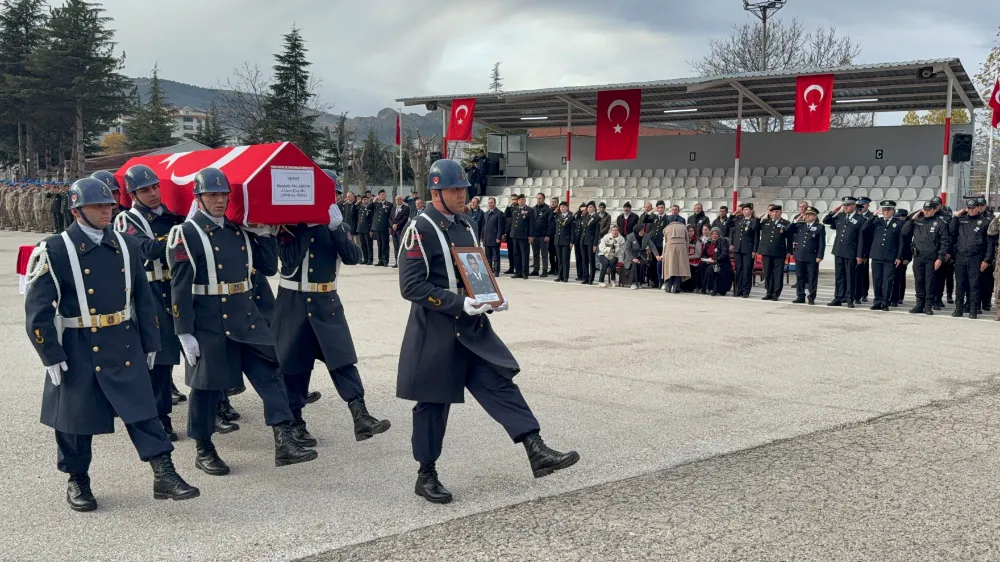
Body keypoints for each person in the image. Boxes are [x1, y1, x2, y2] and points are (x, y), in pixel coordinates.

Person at [396, 159, 578, 504]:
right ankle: (426, 473)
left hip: (471, 326)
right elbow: (411, 286)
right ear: (436, 192)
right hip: (436, 330)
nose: (462, 195)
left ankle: (536, 448)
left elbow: (474, 270)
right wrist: (458, 303)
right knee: (433, 404)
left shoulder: (466, 224)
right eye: (454, 189)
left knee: (499, 384)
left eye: (463, 189)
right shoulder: (419, 228)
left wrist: (490, 298)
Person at [25, 177, 198, 511]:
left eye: (109, 205)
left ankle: (164, 473)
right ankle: (77, 479)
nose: (107, 211)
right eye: (97, 206)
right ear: (77, 211)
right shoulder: (55, 248)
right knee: (74, 420)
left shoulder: (126, 244)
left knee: (143, 409)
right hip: (78, 345)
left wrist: (150, 341)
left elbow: (142, 299)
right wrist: (49, 353)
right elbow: (38, 309)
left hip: (122, 340)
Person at [168, 168, 318, 475]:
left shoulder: (238, 231)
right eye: (212, 195)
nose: (220, 200)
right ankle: (204, 448)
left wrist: (263, 234)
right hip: (209, 322)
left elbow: (268, 268)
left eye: (224, 195)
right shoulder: (185, 234)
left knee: (270, 376)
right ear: (198, 198)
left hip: (245, 317)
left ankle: (284, 441)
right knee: (206, 388)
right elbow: (179, 287)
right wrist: (184, 332)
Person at [274, 204, 391, 446]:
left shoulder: (338, 227)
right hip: (294, 301)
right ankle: (295, 421)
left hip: (326, 302)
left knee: (342, 359)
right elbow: (289, 259)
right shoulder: (290, 227)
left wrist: (336, 228)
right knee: (294, 364)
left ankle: (361, 415)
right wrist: (306, 225)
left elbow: (353, 257)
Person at [113, 164, 186, 441]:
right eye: (145, 190)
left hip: (177, 288)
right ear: (133, 194)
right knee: (159, 359)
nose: (154, 193)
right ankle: (160, 418)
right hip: (151, 292)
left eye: (155, 187)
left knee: (198, 350)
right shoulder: (126, 220)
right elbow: (148, 249)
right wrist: (185, 232)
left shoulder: (173, 217)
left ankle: (217, 408)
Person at [901, 201, 949, 315]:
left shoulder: (940, 223)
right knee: (919, 280)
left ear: (934, 210)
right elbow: (904, 231)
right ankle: (919, 304)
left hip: (932, 258)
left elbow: (944, 242)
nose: (926, 212)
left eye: (929, 210)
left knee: (930, 282)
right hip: (918, 256)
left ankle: (928, 305)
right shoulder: (918, 222)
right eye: (925, 210)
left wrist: (940, 258)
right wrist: (913, 218)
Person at [949, 197, 994, 319]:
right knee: (960, 284)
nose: (971, 210)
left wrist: (987, 259)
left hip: (976, 258)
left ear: (978, 208)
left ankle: (973, 310)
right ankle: (958, 309)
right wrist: (957, 216)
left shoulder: (985, 222)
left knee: (974, 285)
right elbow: (951, 231)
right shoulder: (961, 220)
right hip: (961, 257)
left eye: (973, 208)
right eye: (969, 208)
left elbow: (990, 243)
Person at [861, 200, 904, 311]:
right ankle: (877, 301)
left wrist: (899, 256)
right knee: (877, 279)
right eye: (884, 210)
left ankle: (885, 302)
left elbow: (901, 241)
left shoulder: (898, 223)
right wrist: (873, 216)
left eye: (889, 210)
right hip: (877, 255)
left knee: (888, 280)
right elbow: (864, 228)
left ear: (893, 211)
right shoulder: (877, 221)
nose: (886, 212)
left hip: (890, 256)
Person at [823, 197, 864, 308]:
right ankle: (838, 297)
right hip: (839, 250)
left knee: (850, 276)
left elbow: (861, 239)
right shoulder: (840, 216)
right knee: (839, 275)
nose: (845, 207)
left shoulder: (860, 219)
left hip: (851, 252)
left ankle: (849, 298)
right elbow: (826, 221)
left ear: (854, 206)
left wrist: (859, 254)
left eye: (848, 205)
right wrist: (833, 212)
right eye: (844, 205)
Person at [788, 206, 825, 305]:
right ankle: (800, 296)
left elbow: (822, 243)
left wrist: (820, 256)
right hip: (800, 255)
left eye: (810, 215)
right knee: (800, 277)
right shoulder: (800, 225)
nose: (807, 216)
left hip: (812, 256)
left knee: (812, 278)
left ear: (815, 216)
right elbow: (788, 229)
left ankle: (811, 297)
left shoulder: (819, 227)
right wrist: (797, 219)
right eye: (806, 214)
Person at [755, 205, 792, 301]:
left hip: (779, 251)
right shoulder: (765, 222)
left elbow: (790, 238)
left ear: (781, 213)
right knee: (767, 272)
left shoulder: (786, 223)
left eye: (777, 212)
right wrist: (758, 218)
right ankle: (769, 292)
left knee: (778, 273)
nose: (775, 214)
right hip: (766, 251)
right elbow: (755, 227)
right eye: (773, 212)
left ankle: (776, 293)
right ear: (770, 213)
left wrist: (789, 251)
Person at [731, 203, 759, 298]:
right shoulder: (739, 220)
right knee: (739, 270)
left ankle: (746, 291)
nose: (745, 211)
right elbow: (728, 224)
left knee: (747, 270)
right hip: (738, 249)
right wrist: (733, 214)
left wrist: (754, 250)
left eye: (747, 209)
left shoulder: (754, 221)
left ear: (751, 211)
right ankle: (739, 289)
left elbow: (756, 237)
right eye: (743, 210)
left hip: (748, 249)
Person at [855, 197, 875, 303]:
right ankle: (853, 294)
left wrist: (866, 253)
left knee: (863, 273)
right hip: (853, 248)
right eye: (859, 204)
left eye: (863, 204)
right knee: (853, 273)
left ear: (868, 205)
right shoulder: (854, 215)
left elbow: (871, 237)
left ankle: (863, 293)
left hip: (864, 249)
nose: (861, 206)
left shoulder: (872, 217)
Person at [528, 193, 554, 277]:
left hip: (543, 235)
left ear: (544, 199)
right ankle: (536, 270)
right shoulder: (533, 208)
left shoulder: (548, 209)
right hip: (535, 235)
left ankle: (544, 271)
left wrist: (548, 235)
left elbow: (550, 224)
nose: (538, 200)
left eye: (540, 198)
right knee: (535, 254)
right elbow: (531, 222)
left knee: (544, 254)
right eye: (537, 198)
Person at [702, 227, 732, 296]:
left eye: (716, 234)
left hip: (722, 263)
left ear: (719, 234)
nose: (714, 236)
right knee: (701, 266)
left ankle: (714, 289)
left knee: (712, 268)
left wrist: (716, 260)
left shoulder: (723, 242)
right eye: (712, 234)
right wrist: (707, 259)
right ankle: (703, 287)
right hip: (711, 261)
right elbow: (704, 254)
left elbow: (724, 254)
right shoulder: (708, 243)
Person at [891, 207, 911, 307]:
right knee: (892, 277)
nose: (898, 218)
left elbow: (908, 245)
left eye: (900, 217)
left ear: (904, 217)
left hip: (903, 256)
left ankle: (899, 297)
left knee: (900, 278)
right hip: (893, 255)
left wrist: (907, 258)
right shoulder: (895, 226)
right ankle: (891, 296)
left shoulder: (908, 227)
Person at [481, 197, 506, 275]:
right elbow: (483, 226)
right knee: (488, 256)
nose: (490, 204)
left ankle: (496, 271)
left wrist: (498, 237)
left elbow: (500, 227)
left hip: (495, 238)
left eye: (491, 203)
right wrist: (482, 236)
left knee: (496, 256)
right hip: (487, 238)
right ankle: (489, 270)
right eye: (489, 203)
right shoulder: (486, 213)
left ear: (495, 203)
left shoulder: (499, 213)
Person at [509, 194, 531, 279]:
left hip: (524, 235)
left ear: (525, 200)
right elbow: (506, 214)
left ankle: (525, 273)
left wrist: (530, 236)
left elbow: (531, 224)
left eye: (523, 199)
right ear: (517, 201)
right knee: (516, 254)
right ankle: (518, 272)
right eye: (519, 200)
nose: (521, 201)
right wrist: (509, 205)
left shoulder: (529, 210)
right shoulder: (515, 209)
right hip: (515, 235)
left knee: (524, 254)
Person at [554, 201, 574, 283]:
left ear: (567, 207)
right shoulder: (558, 216)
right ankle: (560, 275)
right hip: (558, 240)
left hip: (566, 240)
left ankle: (565, 276)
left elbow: (572, 230)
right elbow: (550, 220)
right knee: (559, 259)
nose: (562, 208)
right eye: (561, 207)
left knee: (565, 259)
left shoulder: (570, 217)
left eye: (563, 207)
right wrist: (554, 212)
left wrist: (571, 241)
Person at [581, 202, 600, 285]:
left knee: (591, 260)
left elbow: (597, 232)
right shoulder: (586, 217)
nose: (589, 209)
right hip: (583, 240)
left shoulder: (597, 218)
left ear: (594, 208)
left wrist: (595, 244)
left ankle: (591, 278)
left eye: (591, 207)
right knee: (584, 260)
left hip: (591, 241)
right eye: (588, 207)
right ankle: (585, 277)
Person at [372, 190, 392, 266]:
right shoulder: (376, 204)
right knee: (379, 244)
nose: (381, 196)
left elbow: (390, 216)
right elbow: (369, 207)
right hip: (377, 227)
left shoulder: (389, 204)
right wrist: (374, 200)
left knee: (385, 244)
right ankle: (380, 260)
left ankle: (385, 260)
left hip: (385, 227)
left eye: (383, 194)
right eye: (380, 194)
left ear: (385, 195)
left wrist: (389, 227)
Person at [390, 195, 410, 268]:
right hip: (394, 231)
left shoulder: (406, 208)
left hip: (401, 230)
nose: (397, 201)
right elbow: (390, 218)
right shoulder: (393, 208)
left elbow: (405, 218)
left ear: (402, 200)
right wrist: (392, 225)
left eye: (399, 199)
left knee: (402, 247)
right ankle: (397, 262)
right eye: (396, 200)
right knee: (396, 247)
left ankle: (403, 263)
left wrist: (397, 225)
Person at [356, 194, 374, 265]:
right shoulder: (360, 207)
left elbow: (372, 219)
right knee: (363, 245)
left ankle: (370, 259)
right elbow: (353, 209)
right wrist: (357, 202)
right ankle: (365, 258)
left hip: (367, 229)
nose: (364, 201)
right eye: (363, 199)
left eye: (365, 199)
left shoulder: (370, 208)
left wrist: (371, 229)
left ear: (368, 200)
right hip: (360, 228)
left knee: (369, 245)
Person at [572, 203, 588, 281]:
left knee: (584, 258)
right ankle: (579, 274)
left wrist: (584, 215)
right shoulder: (577, 217)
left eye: (585, 209)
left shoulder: (587, 217)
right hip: (577, 240)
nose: (583, 210)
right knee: (578, 258)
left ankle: (585, 274)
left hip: (584, 240)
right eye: (582, 209)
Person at [547, 197, 560, 275]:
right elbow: (548, 220)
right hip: (550, 235)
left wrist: (555, 213)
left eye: (554, 202)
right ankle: (552, 268)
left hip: (557, 235)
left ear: (557, 203)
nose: (553, 203)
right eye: (552, 201)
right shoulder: (548, 211)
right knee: (551, 253)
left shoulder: (560, 211)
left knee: (557, 254)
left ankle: (558, 269)